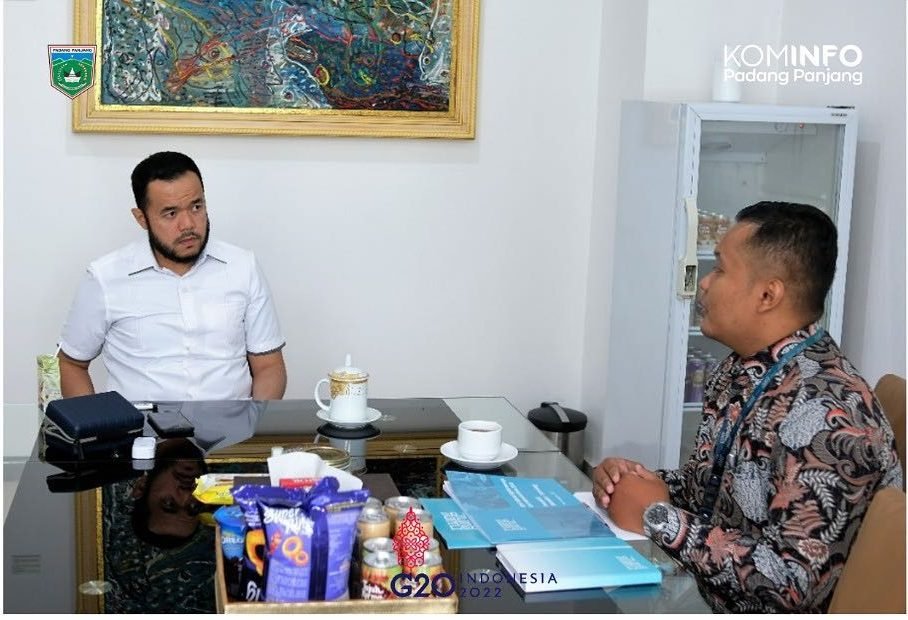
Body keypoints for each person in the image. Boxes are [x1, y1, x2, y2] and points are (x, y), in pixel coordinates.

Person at [592, 201, 902, 613]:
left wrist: (657, 516)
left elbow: (791, 587)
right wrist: (629, 482)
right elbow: (709, 491)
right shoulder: (741, 370)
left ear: (768, 295)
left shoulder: (832, 416)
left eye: (720, 269)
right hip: (700, 592)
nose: (705, 283)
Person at [57, 151, 287, 401]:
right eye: (171, 213)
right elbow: (72, 363)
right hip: (140, 426)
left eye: (196, 207)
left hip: (232, 424)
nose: (188, 224)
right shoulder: (105, 277)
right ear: (142, 219)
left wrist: (254, 421)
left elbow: (269, 366)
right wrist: (95, 423)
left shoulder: (243, 267)